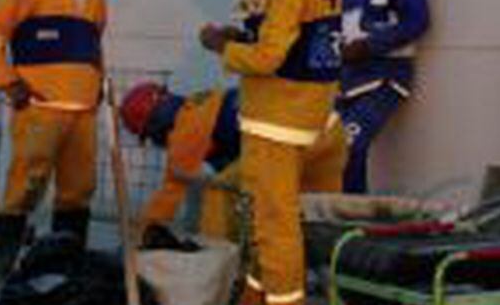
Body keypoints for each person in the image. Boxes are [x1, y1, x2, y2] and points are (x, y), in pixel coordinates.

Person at [198, 0, 342, 305]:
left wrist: (221, 45)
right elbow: (295, 46)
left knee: (277, 236)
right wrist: (247, 36)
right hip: (317, 124)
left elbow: (268, 59)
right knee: (280, 230)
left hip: (277, 129)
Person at [0, 0, 117, 277]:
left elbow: (91, 45)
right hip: (40, 108)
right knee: (25, 186)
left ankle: (65, 267)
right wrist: (6, 80)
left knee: (79, 189)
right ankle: (6, 268)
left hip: (83, 111)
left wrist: (98, 82)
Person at [118, 81, 346, 247]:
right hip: (328, 130)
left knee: (219, 191)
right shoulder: (204, 102)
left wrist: (139, 237)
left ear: (155, 125)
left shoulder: (185, 129)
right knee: (319, 216)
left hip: (288, 138)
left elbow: (170, 193)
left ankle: (217, 263)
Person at [330, 0, 431, 194]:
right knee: (330, 150)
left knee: (350, 145)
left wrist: (371, 45)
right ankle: (342, 213)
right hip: (348, 83)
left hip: (386, 79)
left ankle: (352, 219)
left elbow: (419, 21)